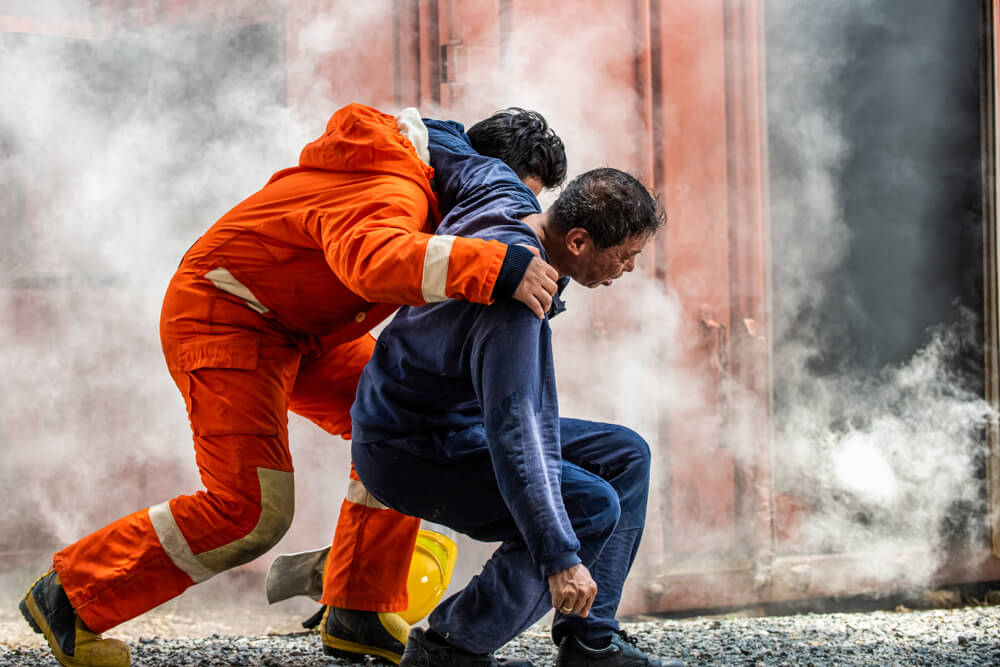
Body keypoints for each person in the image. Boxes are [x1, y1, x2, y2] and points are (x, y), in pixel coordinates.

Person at [19, 103, 566, 667]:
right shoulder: (394, 184)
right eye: (511, 196)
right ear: (483, 171)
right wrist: (497, 265)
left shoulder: (420, 186)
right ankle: (73, 593)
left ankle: (361, 605)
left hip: (297, 328)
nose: (511, 216)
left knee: (407, 420)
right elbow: (374, 263)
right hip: (227, 318)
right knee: (251, 512)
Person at [349, 122, 685, 667]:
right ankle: (451, 646)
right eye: (625, 256)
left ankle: (587, 640)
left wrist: (408, 123)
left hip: (454, 422)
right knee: (588, 506)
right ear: (577, 241)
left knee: (626, 455)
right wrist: (559, 557)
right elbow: (517, 435)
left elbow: (441, 135)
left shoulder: (501, 190)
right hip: (409, 449)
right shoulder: (513, 305)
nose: (628, 270)